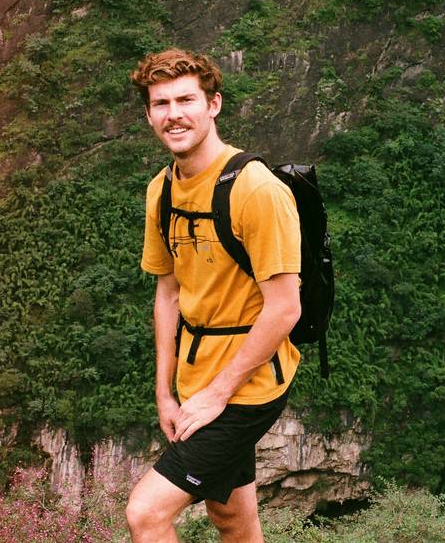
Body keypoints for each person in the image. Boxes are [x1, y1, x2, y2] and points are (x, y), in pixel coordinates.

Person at [125, 48, 302, 543]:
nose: (174, 114)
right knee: (232, 519)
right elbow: (168, 294)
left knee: (146, 514)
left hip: (249, 384)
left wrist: (217, 394)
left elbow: (285, 307)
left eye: (186, 100)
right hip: (196, 378)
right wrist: (165, 392)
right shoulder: (161, 191)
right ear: (149, 115)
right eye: (161, 104)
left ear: (214, 105)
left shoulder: (255, 189)